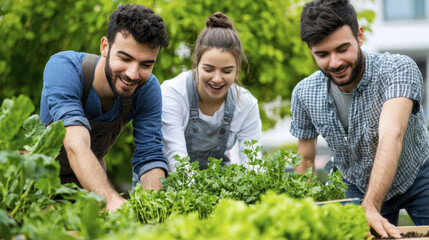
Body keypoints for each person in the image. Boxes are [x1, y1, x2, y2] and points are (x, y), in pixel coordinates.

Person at [290, 0, 429, 238]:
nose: (334, 63)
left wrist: (371, 206)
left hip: (416, 175)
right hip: (356, 183)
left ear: (360, 36)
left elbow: (392, 133)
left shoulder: (398, 69)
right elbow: (306, 162)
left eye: (342, 49)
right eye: (322, 54)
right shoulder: (304, 93)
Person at [39, 4, 169, 212]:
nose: (133, 74)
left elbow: (150, 155)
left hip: (91, 190)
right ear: (105, 47)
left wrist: (153, 210)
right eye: (125, 58)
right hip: (37, 187)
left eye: (146, 65)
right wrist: (111, 200)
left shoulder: (147, 89)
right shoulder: (64, 68)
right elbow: (75, 143)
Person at [160, 12, 262, 172]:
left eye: (227, 71)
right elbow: (177, 161)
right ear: (196, 64)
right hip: (166, 181)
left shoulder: (246, 104)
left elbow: (253, 165)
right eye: (208, 69)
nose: (217, 79)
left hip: (215, 181)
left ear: (237, 71)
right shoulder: (173, 93)